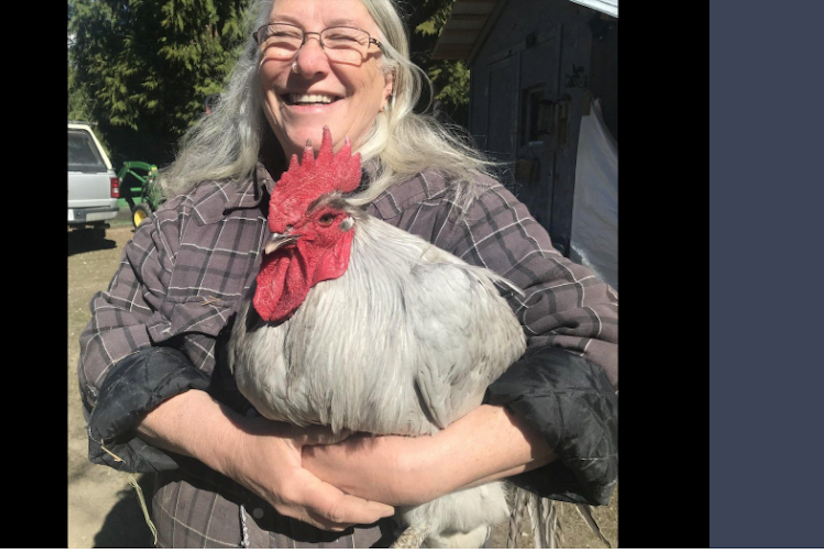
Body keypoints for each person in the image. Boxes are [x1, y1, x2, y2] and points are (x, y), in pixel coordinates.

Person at [78, 0, 618, 547]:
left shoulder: (458, 205)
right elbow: (107, 349)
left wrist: (423, 468)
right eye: (283, 37)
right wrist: (237, 449)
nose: (309, 61)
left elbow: (599, 339)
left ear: (388, 81)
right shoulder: (189, 217)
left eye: (342, 37)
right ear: (255, 69)